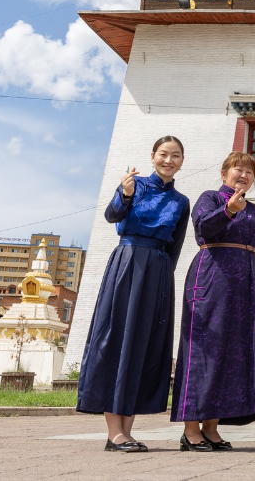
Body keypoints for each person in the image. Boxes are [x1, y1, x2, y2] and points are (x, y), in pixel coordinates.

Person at [78, 136, 191, 453]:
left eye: (176, 155)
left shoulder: (181, 201)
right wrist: (125, 195)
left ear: (182, 161)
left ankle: (126, 432)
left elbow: (176, 246)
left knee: (143, 343)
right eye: (163, 154)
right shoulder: (134, 185)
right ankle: (114, 432)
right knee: (117, 339)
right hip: (127, 265)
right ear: (153, 156)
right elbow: (112, 216)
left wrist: (165, 282)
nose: (168, 160)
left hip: (158, 272)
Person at [171, 151, 255, 451]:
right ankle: (191, 429)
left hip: (244, 287)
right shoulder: (210, 198)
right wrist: (227, 210)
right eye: (238, 169)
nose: (244, 175)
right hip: (211, 279)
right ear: (225, 173)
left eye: (249, 172)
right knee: (204, 351)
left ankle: (212, 428)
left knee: (230, 354)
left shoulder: (254, 211)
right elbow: (202, 229)